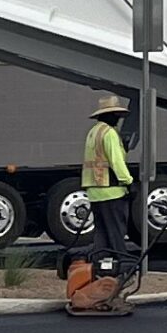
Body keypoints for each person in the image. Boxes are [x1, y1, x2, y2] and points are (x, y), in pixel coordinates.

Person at [70, 93, 135, 316]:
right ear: (112, 115)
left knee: (102, 236)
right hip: (111, 190)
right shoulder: (109, 134)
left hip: (95, 192)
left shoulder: (92, 133)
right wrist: (129, 181)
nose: (119, 118)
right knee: (117, 235)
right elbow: (116, 161)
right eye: (117, 114)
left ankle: (99, 273)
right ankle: (118, 277)